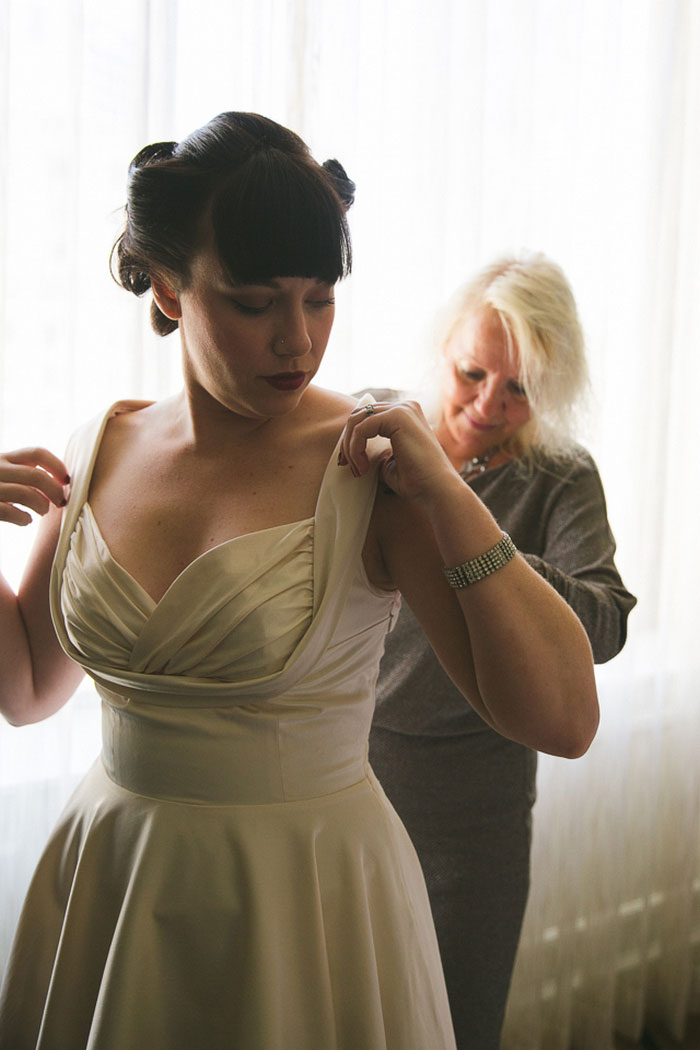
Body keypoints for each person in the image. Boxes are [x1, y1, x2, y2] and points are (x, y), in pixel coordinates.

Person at [0, 115, 599, 1050]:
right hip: (119, 885)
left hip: (308, 904)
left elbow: (565, 721)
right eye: (254, 303)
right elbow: (28, 688)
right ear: (168, 285)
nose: (298, 340)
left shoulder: (369, 468)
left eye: (321, 299)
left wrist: (448, 496)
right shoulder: (101, 449)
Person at [366, 252, 637, 1050]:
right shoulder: (384, 445)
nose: (488, 404)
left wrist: (486, 546)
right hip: (352, 776)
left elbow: (609, 623)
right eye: (472, 372)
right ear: (444, 349)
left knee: (453, 1022)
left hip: (473, 816)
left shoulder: (560, 477)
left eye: (518, 388)